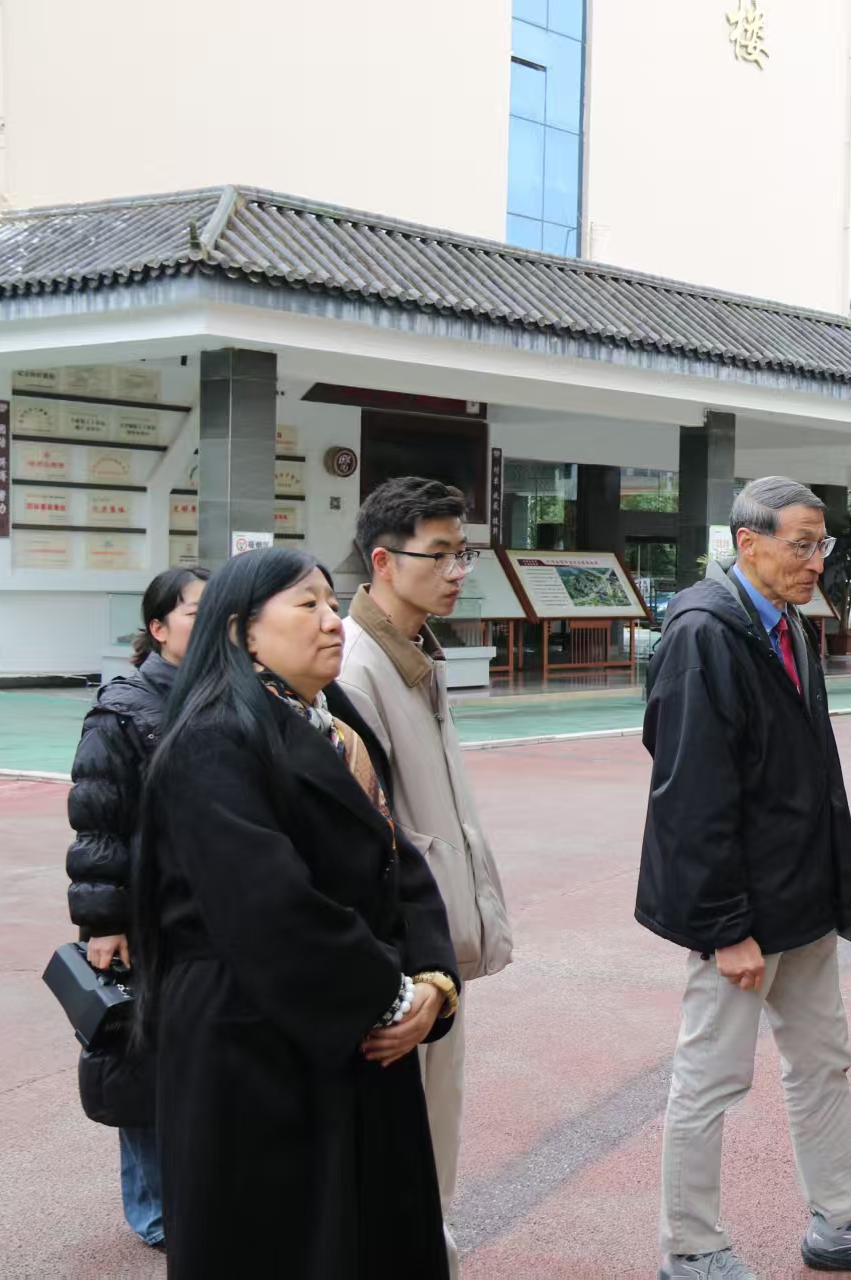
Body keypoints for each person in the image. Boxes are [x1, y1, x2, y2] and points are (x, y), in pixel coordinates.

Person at [636, 476, 851, 1280]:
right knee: (711, 1078)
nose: (816, 562)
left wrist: (839, 893)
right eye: (801, 546)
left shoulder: (788, 626)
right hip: (740, 913)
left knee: (822, 1062)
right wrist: (723, 927)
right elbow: (691, 793)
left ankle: (842, 1220)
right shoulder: (704, 633)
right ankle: (690, 1248)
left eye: (821, 546)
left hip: (802, 900)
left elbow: (813, 777)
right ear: (748, 543)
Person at [135, 547, 460, 1278]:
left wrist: (432, 980)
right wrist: (390, 996)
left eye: (332, 603)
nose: (332, 621)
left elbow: (399, 860)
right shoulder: (212, 738)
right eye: (307, 605)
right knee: (283, 1242)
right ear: (241, 631)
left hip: (349, 1015)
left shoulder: (335, 724)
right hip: (255, 1039)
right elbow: (267, 906)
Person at [338, 477, 514, 1276]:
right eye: (439, 555)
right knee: (403, 1133)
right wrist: (412, 958)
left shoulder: (415, 655)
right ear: (383, 561)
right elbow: (368, 837)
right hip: (407, 954)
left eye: (461, 554)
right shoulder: (357, 668)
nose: (456, 572)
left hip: (436, 944)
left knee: (436, 1120)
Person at [64, 565, 209, 1251]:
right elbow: (97, 822)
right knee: (144, 1057)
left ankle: (200, 1194)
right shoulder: (122, 709)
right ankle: (155, 1209)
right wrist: (103, 922)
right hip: (146, 918)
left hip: (205, 911)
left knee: (200, 1054)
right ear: (158, 627)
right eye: (196, 614)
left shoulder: (218, 694)